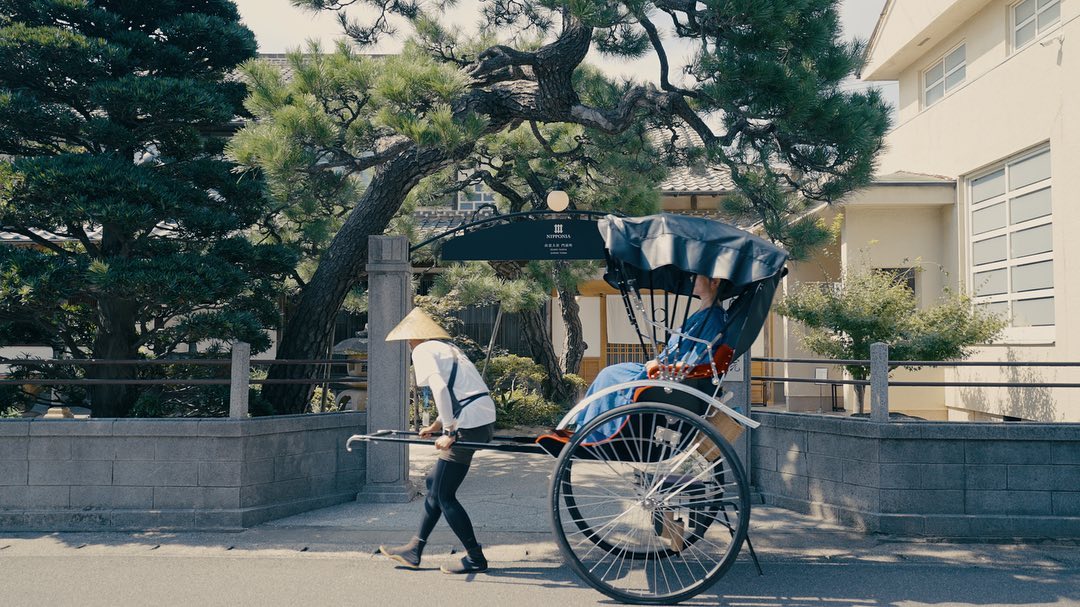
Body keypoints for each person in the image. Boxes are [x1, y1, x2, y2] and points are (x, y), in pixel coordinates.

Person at [378, 308, 497, 574]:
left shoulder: (423, 351)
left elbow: (441, 389)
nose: (408, 345)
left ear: (415, 338)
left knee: (444, 494)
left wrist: (449, 432)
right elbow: (459, 389)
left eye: (408, 340)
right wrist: (436, 425)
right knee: (434, 484)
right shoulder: (446, 348)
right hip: (481, 418)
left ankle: (475, 557)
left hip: (467, 424)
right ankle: (414, 550)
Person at [572, 275, 729, 442]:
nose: (691, 279)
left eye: (696, 276)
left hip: (672, 376)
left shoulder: (713, 319)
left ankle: (597, 433)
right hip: (666, 369)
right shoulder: (705, 313)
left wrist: (661, 365)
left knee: (609, 375)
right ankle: (588, 428)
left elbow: (696, 360)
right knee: (610, 373)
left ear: (715, 281)